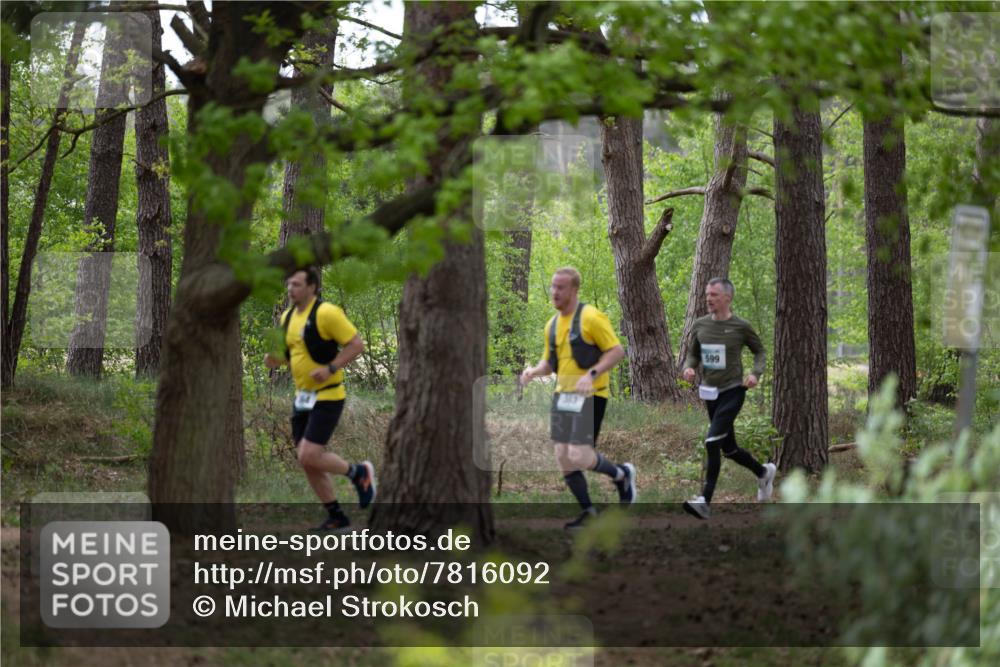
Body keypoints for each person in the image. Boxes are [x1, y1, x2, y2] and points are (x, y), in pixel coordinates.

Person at [520, 267, 635, 530]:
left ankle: (622, 474)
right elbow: (549, 364)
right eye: (553, 286)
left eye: (560, 287)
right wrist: (533, 372)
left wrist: (592, 374)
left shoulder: (591, 317)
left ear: (574, 290)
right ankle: (589, 513)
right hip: (563, 396)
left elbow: (616, 351)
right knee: (562, 455)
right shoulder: (551, 325)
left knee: (580, 455)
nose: (555, 292)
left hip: (591, 394)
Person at [264, 267, 376, 532]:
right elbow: (290, 355)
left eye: (297, 284)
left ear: (312, 287)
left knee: (309, 453)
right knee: (307, 461)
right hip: (302, 397)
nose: (290, 289)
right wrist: (274, 360)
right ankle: (337, 517)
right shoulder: (287, 317)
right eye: (289, 284)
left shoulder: (327, 313)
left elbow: (356, 345)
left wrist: (330, 368)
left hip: (328, 395)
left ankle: (358, 473)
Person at [681, 277, 776, 520]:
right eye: (707, 294)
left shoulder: (740, 326)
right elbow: (693, 354)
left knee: (712, 442)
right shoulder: (700, 325)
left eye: (713, 294)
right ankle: (764, 473)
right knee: (729, 449)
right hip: (710, 394)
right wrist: (689, 367)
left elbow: (760, 351)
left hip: (733, 391)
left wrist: (755, 373)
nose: (708, 298)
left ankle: (704, 501)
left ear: (727, 298)